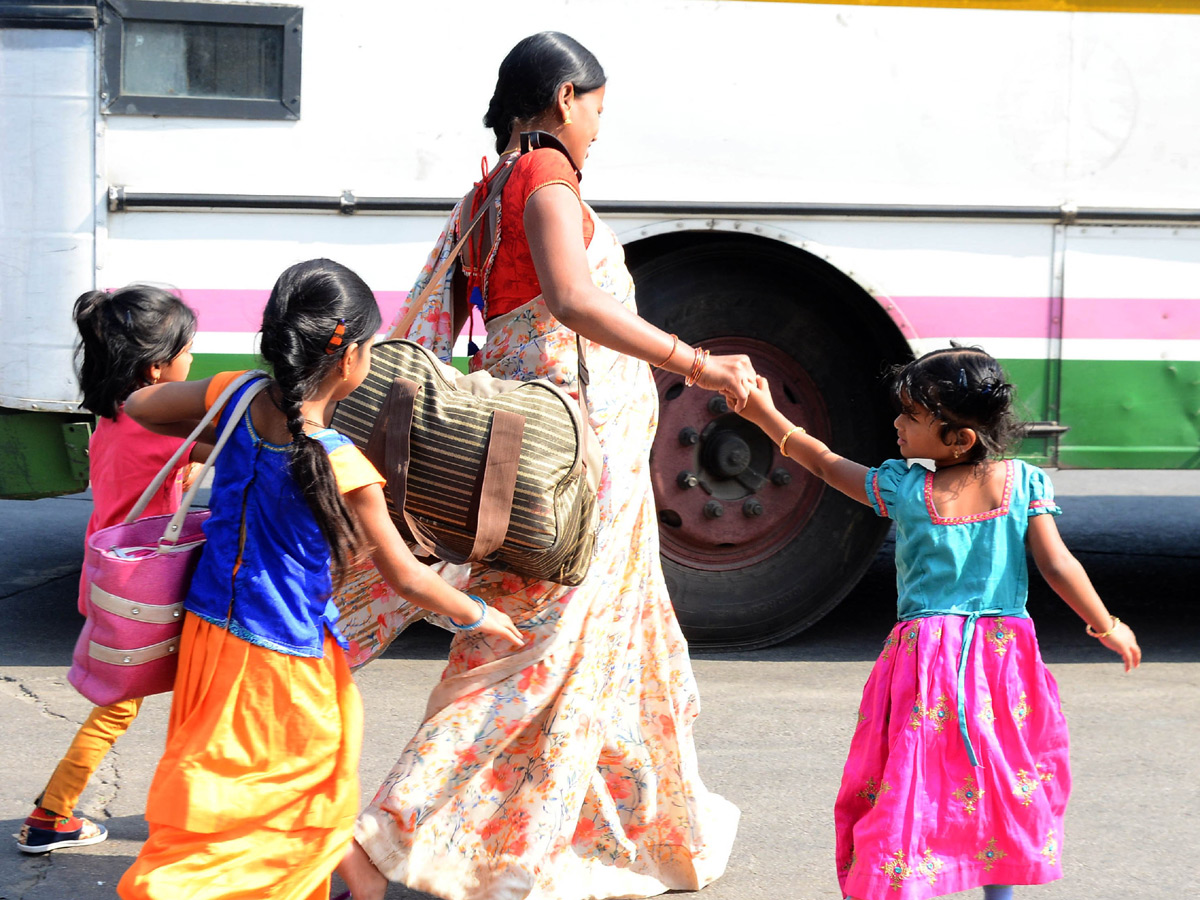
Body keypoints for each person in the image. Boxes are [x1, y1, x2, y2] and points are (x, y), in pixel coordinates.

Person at [339, 31, 749, 900]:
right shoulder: (546, 181)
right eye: (599, 107)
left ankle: (604, 830)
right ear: (566, 97)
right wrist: (697, 362)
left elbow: (465, 328)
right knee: (533, 657)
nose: (600, 128)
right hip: (572, 467)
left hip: (539, 453)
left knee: (582, 653)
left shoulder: (489, 191)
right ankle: (378, 846)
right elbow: (572, 300)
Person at [115, 259, 524, 900]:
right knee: (304, 799)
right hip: (284, 662)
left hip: (208, 639)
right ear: (352, 358)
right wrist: (479, 614)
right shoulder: (345, 465)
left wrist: (217, 437)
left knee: (223, 790)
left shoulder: (236, 397)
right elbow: (409, 577)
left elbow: (143, 406)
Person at [736, 344, 1141, 900]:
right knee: (1000, 778)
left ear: (958, 439)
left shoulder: (904, 488)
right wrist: (1107, 624)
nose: (896, 423)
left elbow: (825, 463)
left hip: (925, 662)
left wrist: (764, 414)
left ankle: (899, 883)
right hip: (1002, 663)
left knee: (914, 779)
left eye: (910, 415)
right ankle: (998, 890)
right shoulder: (1023, 483)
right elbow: (1057, 564)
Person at [16, 286, 203, 855]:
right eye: (187, 350)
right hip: (145, 595)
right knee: (123, 709)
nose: (193, 358)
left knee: (166, 698)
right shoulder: (159, 422)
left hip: (114, 584)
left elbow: (158, 483)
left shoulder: (114, 419)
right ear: (155, 368)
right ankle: (51, 814)